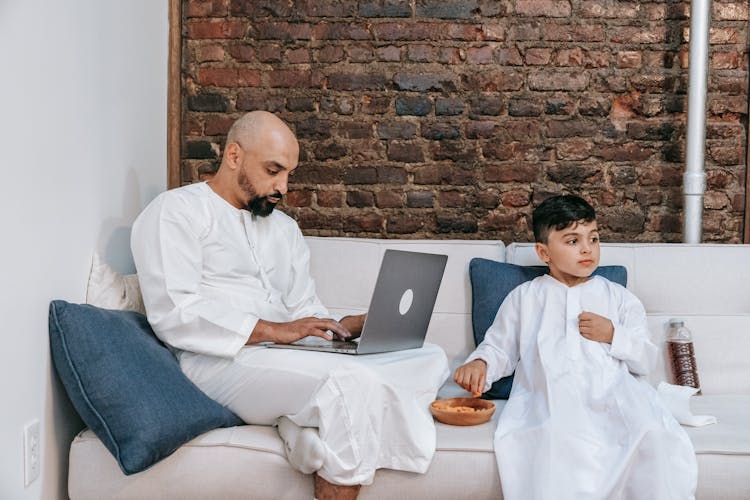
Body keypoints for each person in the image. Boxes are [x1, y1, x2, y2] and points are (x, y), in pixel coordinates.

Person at [131, 111, 449, 499]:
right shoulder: (175, 211)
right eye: (273, 170)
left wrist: (352, 325)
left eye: (288, 174)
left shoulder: (284, 229)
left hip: (287, 354)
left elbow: (305, 311)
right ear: (234, 156)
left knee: (428, 356)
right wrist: (272, 330)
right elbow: (174, 313)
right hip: (220, 360)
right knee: (353, 384)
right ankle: (308, 427)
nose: (283, 187)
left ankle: (298, 421)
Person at [454, 195, 697, 500]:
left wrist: (613, 334)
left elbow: (646, 360)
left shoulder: (618, 297)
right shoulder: (525, 297)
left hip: (615, 396)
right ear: (544, 252)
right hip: (549, 397)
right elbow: (499, 348)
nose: (587, 248)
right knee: (553, 441)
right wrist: (480, 365)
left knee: (653, 435)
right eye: (572, 240)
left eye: (593, 238)